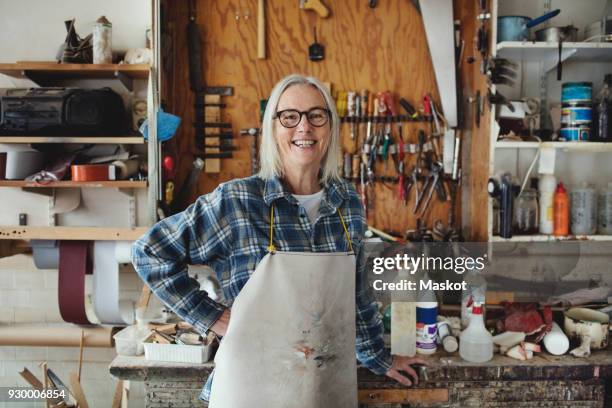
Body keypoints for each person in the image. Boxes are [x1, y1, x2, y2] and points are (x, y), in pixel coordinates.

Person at [132, 74, 427, 407]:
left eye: (317, 115)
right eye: (290, 117)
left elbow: (356, 297)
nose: (304, 127)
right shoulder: (238, 201)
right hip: (251, 387)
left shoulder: (348, 203)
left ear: (330, 128)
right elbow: (149, 253)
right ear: (272, 128)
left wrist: (380, 359)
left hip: (322, 387)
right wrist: (213, 318)